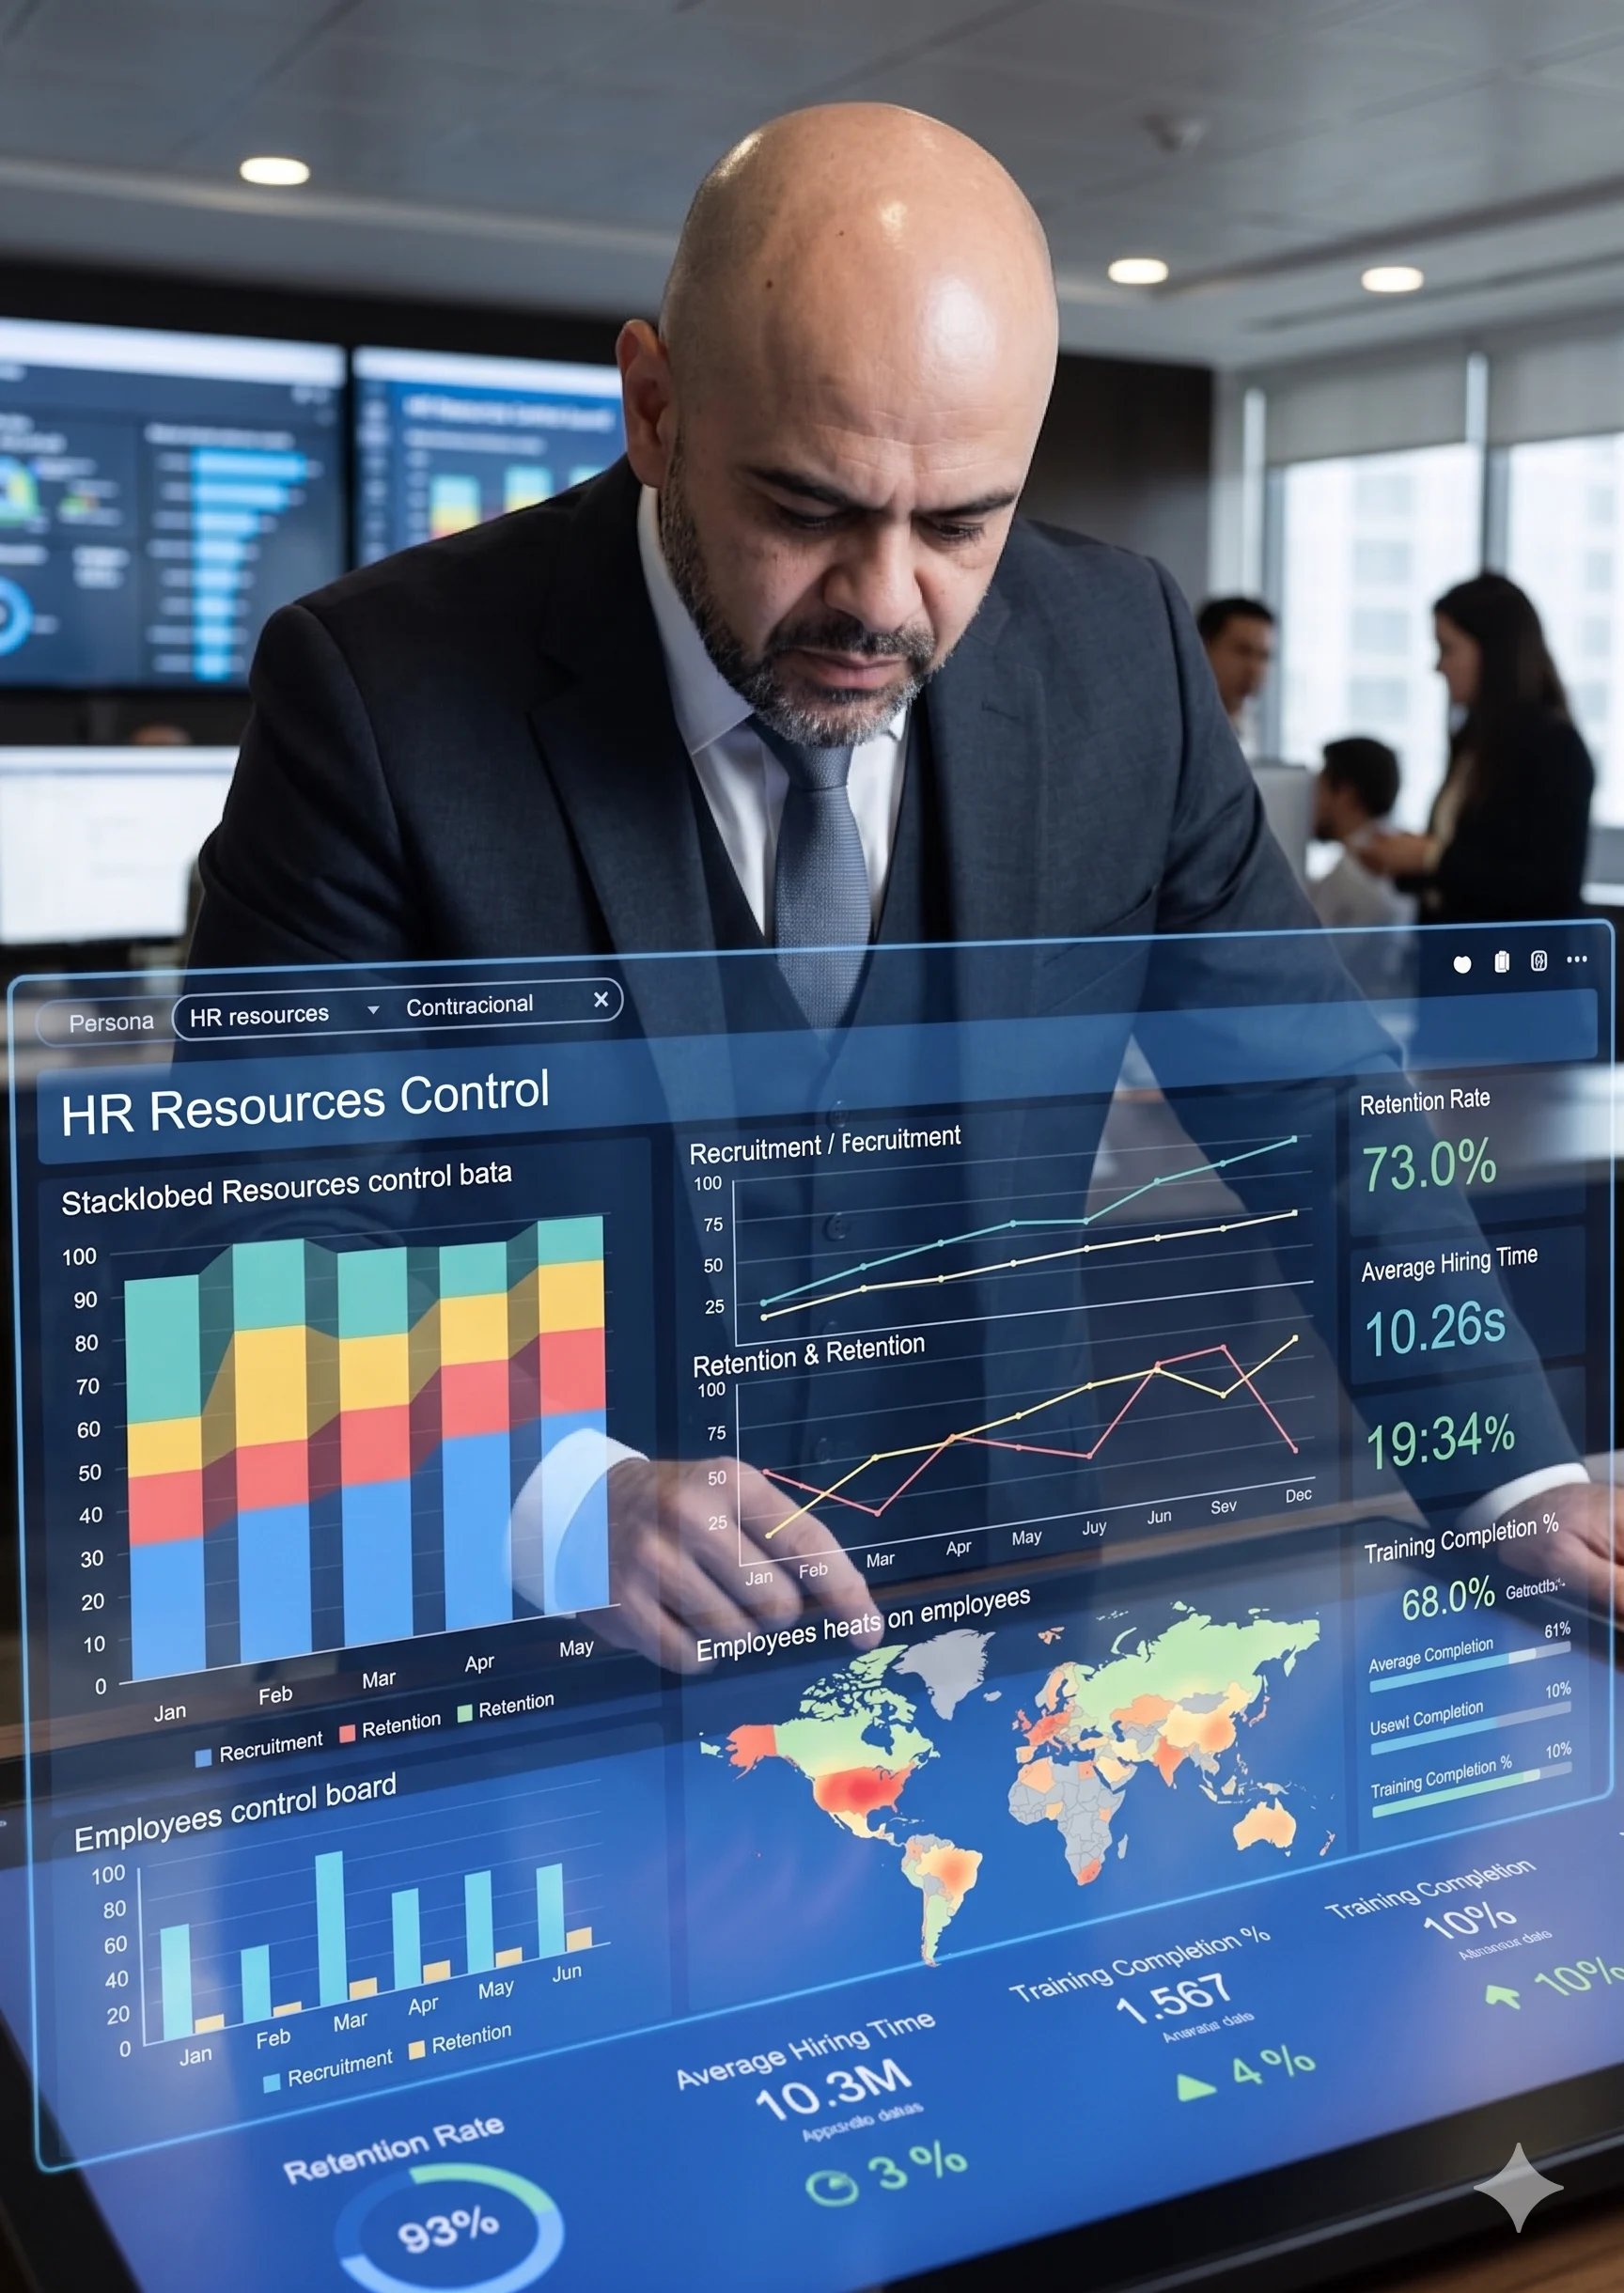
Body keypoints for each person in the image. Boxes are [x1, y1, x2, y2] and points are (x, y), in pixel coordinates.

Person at [188, 105, 1616, 1651]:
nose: (882, 604)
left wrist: (1512, 1473)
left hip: (999, 1629)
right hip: (544, 1670)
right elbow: (261, 1231)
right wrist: (550, 1498)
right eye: (804, 507)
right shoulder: (373, 694)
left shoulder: (1117, 659)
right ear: (653, 407)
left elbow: (1320, 1107)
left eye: (958, 523)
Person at [1359, 574, 1593, 923]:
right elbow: (1468, 866)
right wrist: (1403, 859)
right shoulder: (1474, 742)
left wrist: (1430, 857)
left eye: (1448, 648)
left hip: (1516, 967)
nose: (1438, 666)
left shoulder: (1555, 748)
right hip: (1457, 960)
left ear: (1494, 652)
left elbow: (1548, 884)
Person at [1309, 735, 1413, 929]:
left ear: (1346, 795)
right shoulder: (1385, 865)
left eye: (1319, 788)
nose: (1310, 802)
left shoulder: (1357, 878)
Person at [1196, 596, 1275, 735]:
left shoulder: (1248, 731)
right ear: (1203, 648)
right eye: (1243, 651)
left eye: (1264, 656)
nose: (1254, 669)